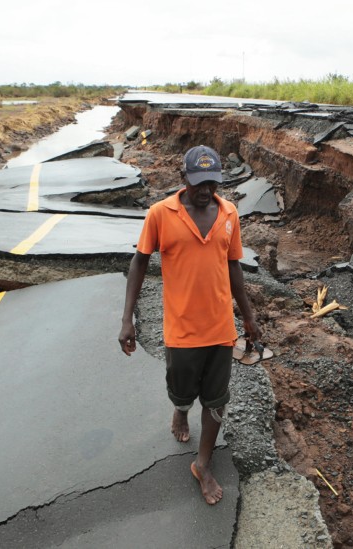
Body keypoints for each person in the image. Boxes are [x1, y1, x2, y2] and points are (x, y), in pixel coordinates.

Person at [118, 144, 260, 505]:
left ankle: (203, 463)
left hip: (220, 329)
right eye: (198, 182)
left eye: (212, 183)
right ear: (183, 178)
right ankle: (180, 412)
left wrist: (248, 315)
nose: (205, 191)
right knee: (182, 389)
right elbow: (139, 263)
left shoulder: (229, 213)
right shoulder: (159, 214)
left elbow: (233, 267)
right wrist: (127, 319)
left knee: (216, 400)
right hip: (180, 330)